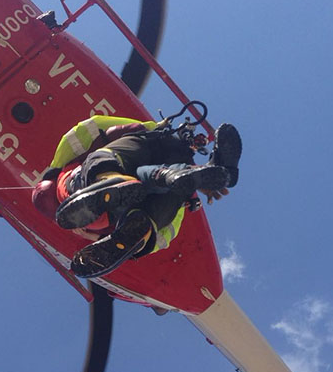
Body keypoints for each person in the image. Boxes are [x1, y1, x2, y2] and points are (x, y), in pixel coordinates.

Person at [32, 114, 241, 278]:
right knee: (164, 187)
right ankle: (145, 218)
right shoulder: (67, 170)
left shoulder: (65, 173)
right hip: (145, 180)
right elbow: (166, 233)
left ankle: (115, 185)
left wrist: (95, 237)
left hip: (123, 178)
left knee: (119, 161)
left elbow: (93, 128)